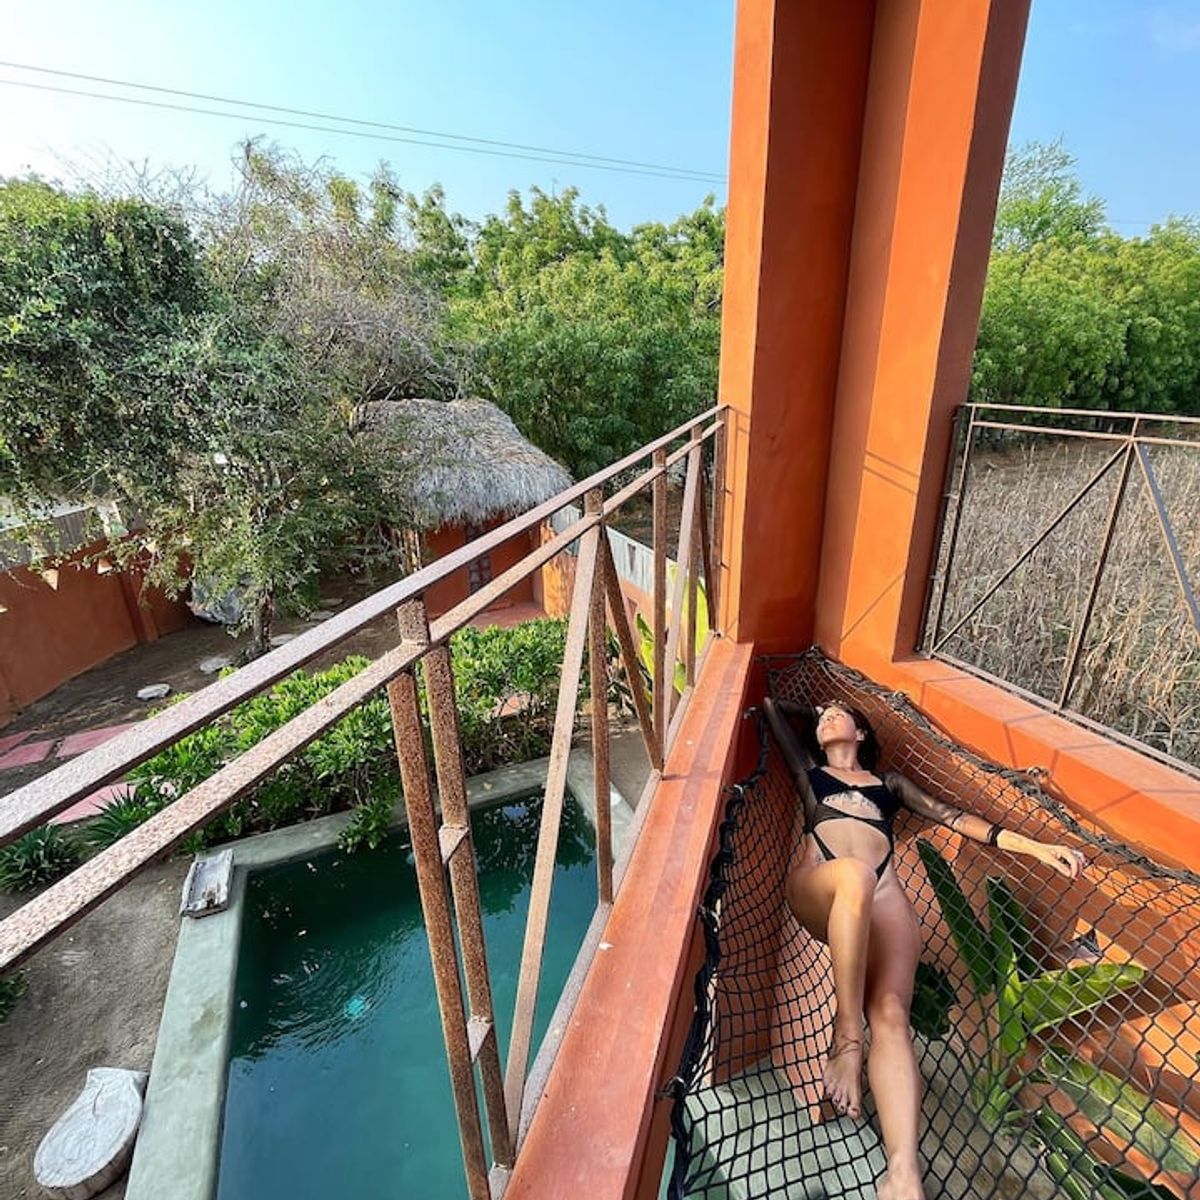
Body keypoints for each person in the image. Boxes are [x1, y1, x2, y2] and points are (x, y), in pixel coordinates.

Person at [763, 696, 1085, 1200]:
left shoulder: (888, 785)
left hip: (883, 890)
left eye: (840, 712)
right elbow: (770, 706)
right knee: (854, 874)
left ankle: (903, 1173)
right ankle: (847, 1039)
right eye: (823, 716)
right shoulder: (811, 774)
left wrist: (1036, 847)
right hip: (821, 882)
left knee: (891, 1014)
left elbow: (952, 816)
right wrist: (815, 703)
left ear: (862, 733)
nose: (828, 716)